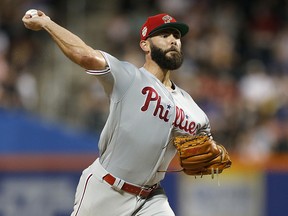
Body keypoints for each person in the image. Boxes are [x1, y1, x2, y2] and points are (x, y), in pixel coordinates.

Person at [22, 11, 211, 216]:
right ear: (145, 44)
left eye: (176, 36)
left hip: (151, 199)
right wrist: (47, 23)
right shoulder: (129, 77)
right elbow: (85, 54)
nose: (173, 40)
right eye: (164, 35)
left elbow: (202, 153)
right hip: (106, 191)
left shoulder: (193, 110)